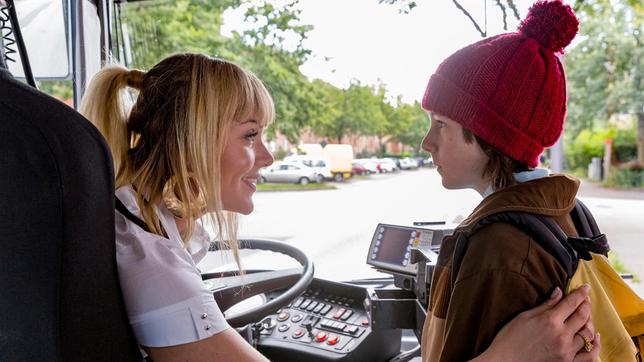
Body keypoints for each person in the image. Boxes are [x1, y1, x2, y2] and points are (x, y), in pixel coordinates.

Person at [79, 53, 597, 361]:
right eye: (251, 135)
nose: (268, 155)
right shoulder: (156, 269)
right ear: (193, 139)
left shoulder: (148, 226)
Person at [418, 1, 601, 361]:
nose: (427, 143)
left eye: (442, 124)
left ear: (491, 135)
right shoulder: (568, 211)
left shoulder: (498, 247)